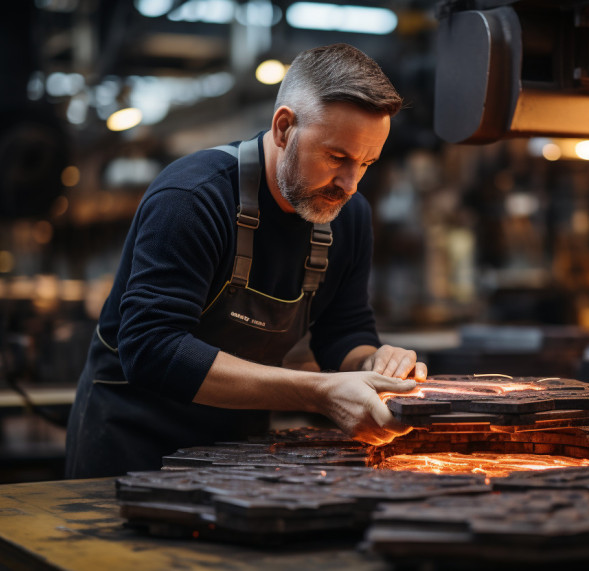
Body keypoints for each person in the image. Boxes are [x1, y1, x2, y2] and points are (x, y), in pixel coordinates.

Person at [65, 44, 426, 478]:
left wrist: (374, 368)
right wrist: (320, 392)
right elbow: (151, 348)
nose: (350, 184)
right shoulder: (193, 198)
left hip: (235, 450)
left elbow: (344, 332)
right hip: (131, 446)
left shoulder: (348, 217)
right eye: (337, 157)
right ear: (284, 127)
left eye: (367, 162)